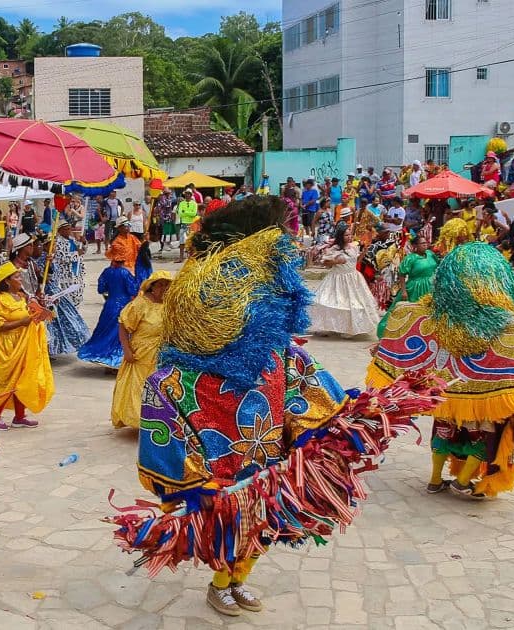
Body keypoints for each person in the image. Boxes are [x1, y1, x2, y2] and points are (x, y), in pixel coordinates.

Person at [109, 196, 441, 616]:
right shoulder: (173, 379)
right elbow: (166, 428)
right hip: (220, 478)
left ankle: (236, 581)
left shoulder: (282, 358)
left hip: (268, 469)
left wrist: (373, 410)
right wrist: (193, 479)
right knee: (230, 531)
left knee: (261, 529)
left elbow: (320, 405)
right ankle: (220, 583)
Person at [369, 242, 514, 499]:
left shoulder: (422, 317)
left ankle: (435, 479)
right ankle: (462, 481)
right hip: (483, 402)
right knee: (483, 436)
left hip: (444, 395)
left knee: (442, 429)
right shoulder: (512, 329)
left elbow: (400, 324)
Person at [0, 262, 54, 430]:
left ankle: (20, 416)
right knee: (7, 381)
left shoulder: (22, 298)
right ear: (7, 281)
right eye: (16, 277)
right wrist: (22, 322)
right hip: (6, 346)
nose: (20, 279)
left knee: (21, 379)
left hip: (23, 344)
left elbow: (30, 316)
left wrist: (40, 311)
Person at [109, 271, 171, 429]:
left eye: (167, 285)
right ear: (152, 287)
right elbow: (123, 324)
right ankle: (141, 422)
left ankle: (159, 422)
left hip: (162, 354)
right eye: (161, 284)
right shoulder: (140, 304)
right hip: (141, 355)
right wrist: (127, 350)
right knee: (140, 388)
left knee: (160, 389)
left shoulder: (169, 304)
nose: (164, 288)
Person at [311, 222, 380, 337]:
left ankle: (349, 329)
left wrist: (363, 253)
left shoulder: (354, 247)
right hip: (337, 279)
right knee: (334, 303)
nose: (349, 237)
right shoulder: (334, 249)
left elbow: (356, 262)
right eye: (346, 235)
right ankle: (331, 326)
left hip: (353, 278)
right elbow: (326, 264)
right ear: (340, 236)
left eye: (350, 235)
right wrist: (336, 261)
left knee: (354, 304)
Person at [77, 253, 136, 370]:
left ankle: (106, 364)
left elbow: (101, 289)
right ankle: (116, 363)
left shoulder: (106, 272)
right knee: (121, 335)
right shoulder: (125, 273)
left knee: (105, 333)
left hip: (110, 305)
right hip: (124, 306)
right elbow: (132, 289)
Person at [43, 220, 90, 356]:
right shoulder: (57, 242)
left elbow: (82, 251)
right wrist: (77, 253)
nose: (69, 231)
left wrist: (84, 242)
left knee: (76, 301)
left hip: (76, 275)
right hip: (65, 277)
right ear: (60, 230)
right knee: (68, 306)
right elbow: (62, 257)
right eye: (67, 229)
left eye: (70, 228)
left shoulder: (72, 240)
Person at [377, 234, 438, 337]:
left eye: (425, 243)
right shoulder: (410, 258)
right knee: (409, 311)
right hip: (415, 287)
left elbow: (437, 265)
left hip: (430, 286)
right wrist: (404, 291)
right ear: (415, 246)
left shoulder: (430, 254)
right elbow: (402, 274)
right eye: (422, 243)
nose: (425, 245)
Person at [175, 190, 198, 262]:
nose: (187, 195)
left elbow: (194, 214)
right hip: (184, 224)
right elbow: (180, 213)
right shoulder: (181, 203)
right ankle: (181, 257)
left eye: (189, 194)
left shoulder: (194, 204)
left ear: (191, 195)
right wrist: (188, 213)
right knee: (182, 242)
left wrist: (185, 212)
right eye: (186, 194)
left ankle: (192, 257)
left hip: (192, 224)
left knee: (192, 241)